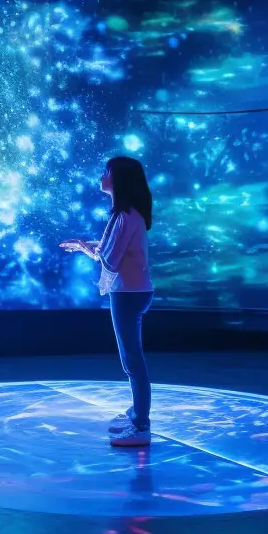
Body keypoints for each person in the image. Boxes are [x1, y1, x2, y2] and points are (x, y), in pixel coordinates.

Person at [61, 156, 155, 449]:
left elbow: (110, 260)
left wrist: (85, 247)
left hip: (128, 294)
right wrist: (85, 246)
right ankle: (136, 415)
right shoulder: (126, 215)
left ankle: (141, 426)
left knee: (132, 361)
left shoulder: (125, 217)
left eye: (107, 172)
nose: (102, 177)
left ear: (119, 179)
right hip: (133, 291)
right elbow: (112, 251)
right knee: (132, 359)